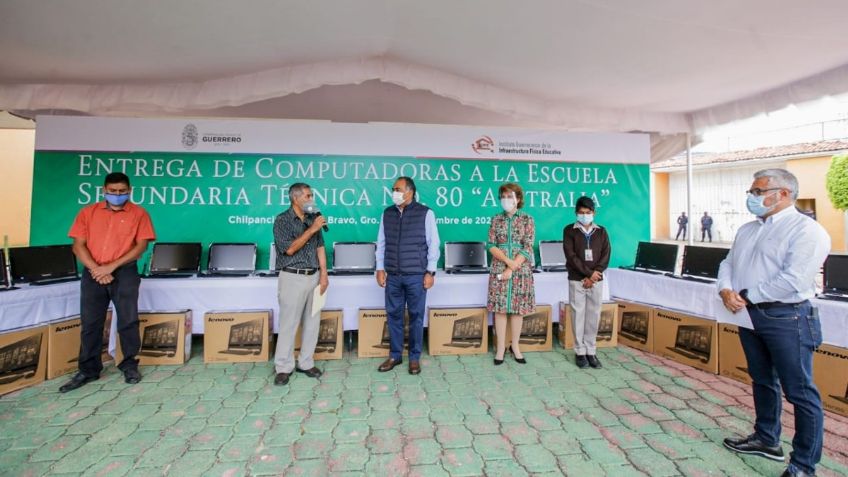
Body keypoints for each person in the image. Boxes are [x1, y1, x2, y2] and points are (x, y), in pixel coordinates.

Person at [718, 169, 830, 477]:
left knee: (800, 392)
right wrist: (726, 289)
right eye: (751, 192)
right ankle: (767, 439)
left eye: (757, 191)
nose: (751, 197)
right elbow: (728, 262)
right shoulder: (748, 229)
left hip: (787, 317)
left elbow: (794, 279)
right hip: (748, 314)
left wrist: (746, 294)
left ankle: (804, 465)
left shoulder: (806, 231)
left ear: (782, 194)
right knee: (762, 380)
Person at [60, 172, 155, 392]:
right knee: (91, 322)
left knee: (128, 321)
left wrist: (110, 267)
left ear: (129, 191)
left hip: (125, 273)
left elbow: (140, 247)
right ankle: (88, 370)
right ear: (104, 191)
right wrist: (97, 269)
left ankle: (129, 364)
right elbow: (78, 245)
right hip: (93, 273)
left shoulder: (139, 214)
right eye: (113, 191)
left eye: (122, 191)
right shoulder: (87, 213)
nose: (117, 195)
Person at [375, 177, 440, 375]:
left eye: (398, 189)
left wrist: (430, 271)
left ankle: (414, 358)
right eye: (393, 189)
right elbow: (382, 242)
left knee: (416, 317)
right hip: (393, 275)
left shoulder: (425, 213)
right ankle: (395, 355)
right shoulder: (387, 213)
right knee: (393, 315)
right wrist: (379, 268)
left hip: (416, 276)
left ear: (409, 192)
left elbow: (434, 243)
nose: (394, 192)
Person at [272, 183, 329, 386]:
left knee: (312, 323)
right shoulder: (282, 220)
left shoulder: (314, 218)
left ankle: (306, 362)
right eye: (307, 196)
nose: (311, 199)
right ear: (295, 198)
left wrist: (324, 274)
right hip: (292, 277)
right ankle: (283, 367)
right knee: (289, 324)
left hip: (314, 277)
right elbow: (289, 249)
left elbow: (320, 247)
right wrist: (312, 230)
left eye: (311, 195)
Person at [487, 183, 536, 365]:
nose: (506, 200)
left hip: (520, 269)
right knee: (500, 310)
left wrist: (512, 266)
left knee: (517, 310)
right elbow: (491, 245)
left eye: (510, 196)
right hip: (500, 266)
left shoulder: (527, 219)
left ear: (518, 199)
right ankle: (500, 348)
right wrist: (507, 263)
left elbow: (528, 246)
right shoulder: (495, 219)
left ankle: (515, 346)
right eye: (503, 196)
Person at [563, 196, 611, 369]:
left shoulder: (602, 231)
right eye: (581, 213)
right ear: (576, 213)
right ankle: (580, 352)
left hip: (596, 281)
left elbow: (606, 254)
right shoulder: (569, 230)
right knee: (578, 315)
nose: (585, 216)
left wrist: (594, 275)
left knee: (594, 315)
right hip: (577, 280)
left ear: (594, 213)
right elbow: (571, 256)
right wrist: (588, 274)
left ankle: (591, 351)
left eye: (588, 212)